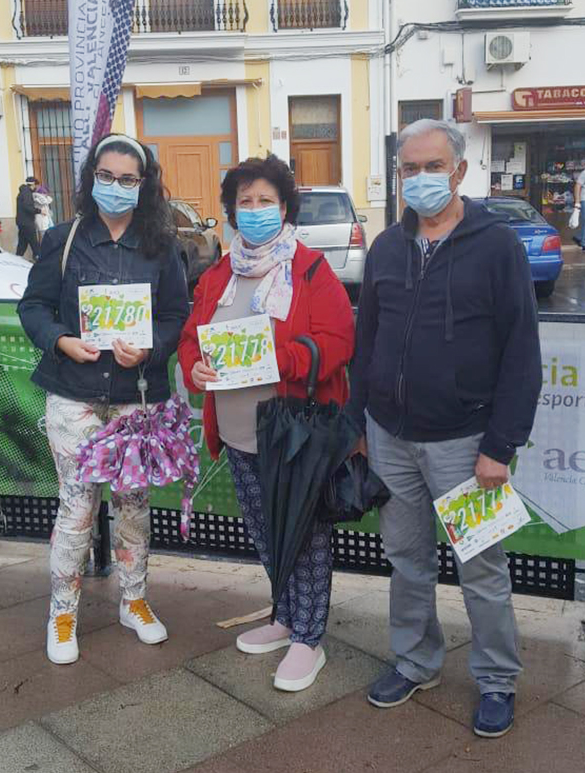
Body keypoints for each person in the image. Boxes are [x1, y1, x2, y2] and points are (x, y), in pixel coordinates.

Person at [347, 119, 541, 738]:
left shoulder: (497, 246)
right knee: (407, 562)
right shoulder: (386, 247)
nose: (421, 178)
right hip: (390, 437)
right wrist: (358, 423)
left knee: (481, 567)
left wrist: (500, 446)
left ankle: (497, 679)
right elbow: (366, 343)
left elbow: (522, 352)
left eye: (433, 166)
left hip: (466, 442)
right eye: (410, 168)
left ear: (459, 171)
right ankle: (415, 662)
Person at [178, 155, 354, 693]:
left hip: (293, 433)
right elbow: (191, 339)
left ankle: (309, 638)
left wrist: (279, 360)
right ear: (232, 211)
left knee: (305, 534)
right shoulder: (218, 276)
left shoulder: (310, 270)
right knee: (264, 529)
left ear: (284, 208)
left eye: (266, 201)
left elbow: (338, 342)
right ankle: (284, 615)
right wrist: (195, 367)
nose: (255, 210)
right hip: (237, 431)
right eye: (245, 202)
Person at [18, 134, 189, 666]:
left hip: (137, 399)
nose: (116, 186)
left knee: (133, 505)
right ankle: (62, 611)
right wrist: (60, 340)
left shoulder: (161, 245)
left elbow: (176, 315)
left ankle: (133, 600)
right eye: (107, 176)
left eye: (128, 179)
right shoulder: (64, 239)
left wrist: (152, 348)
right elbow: (33, 307)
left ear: (144, 184)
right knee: (76, 505)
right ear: (92, 178)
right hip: (76, 395)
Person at [16, 176, 41, 260]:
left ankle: (17, 258)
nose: (36, 188)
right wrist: (39, 211)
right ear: (33, 185)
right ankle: (38, 259)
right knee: (34, 243)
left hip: (22, 222)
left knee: (22, 243)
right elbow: (28, 207)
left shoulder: (23, 192)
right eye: (36, 186)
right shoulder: (27, 193)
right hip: (27, 222)